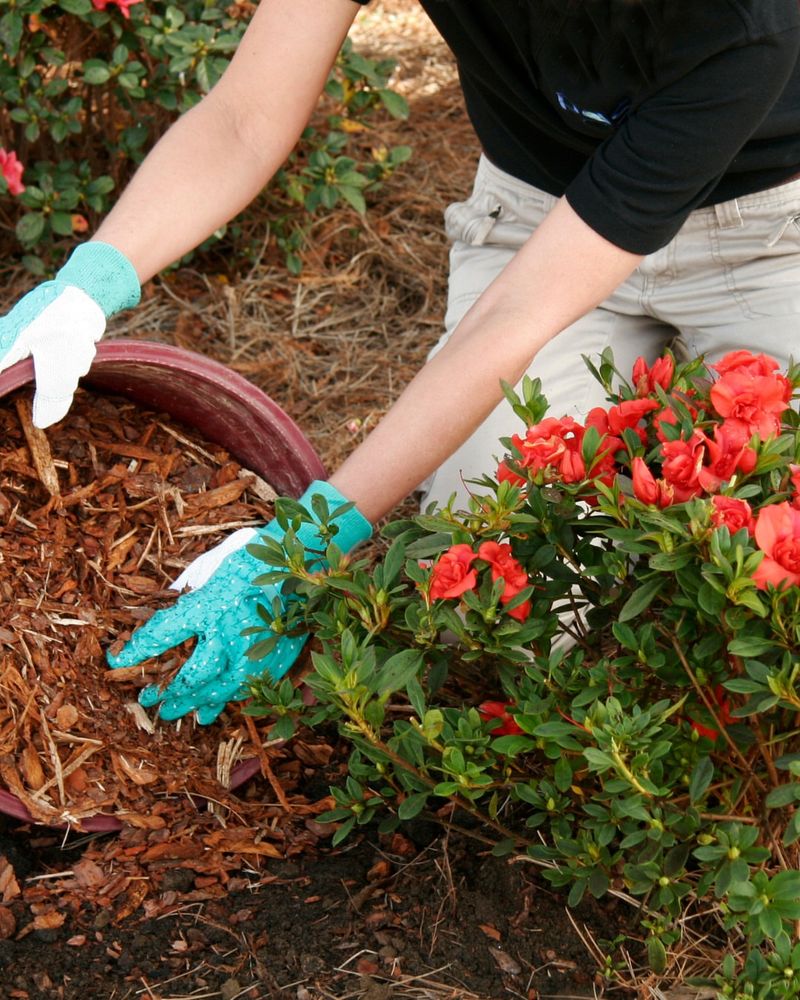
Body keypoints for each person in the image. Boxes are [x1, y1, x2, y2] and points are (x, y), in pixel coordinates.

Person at [2, 0, 800, 722]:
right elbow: (245, 118)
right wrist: (87, 284)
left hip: (770, 231)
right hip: (540, 206)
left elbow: (516, 319)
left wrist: (309, 539)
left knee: (768, 581)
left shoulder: (745, 19)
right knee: (502, 580)